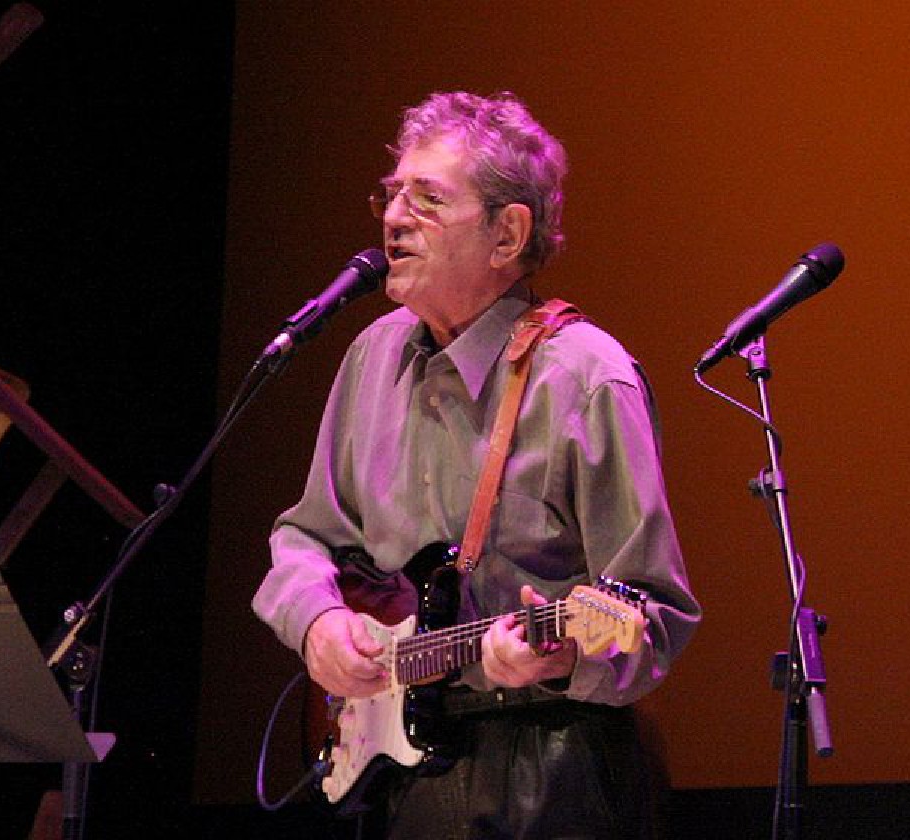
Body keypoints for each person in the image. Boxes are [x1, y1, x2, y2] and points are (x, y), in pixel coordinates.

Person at [253, 91, 700, 839]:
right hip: (402, 776)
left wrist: (560, 656)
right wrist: (318, 622)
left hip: (552, 770)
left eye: (427, 200)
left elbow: (653, 617)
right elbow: (305, 538)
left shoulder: (588, 378)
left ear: (507, 234)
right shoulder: (372, 357)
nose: (394, 220)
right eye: (392, 195)